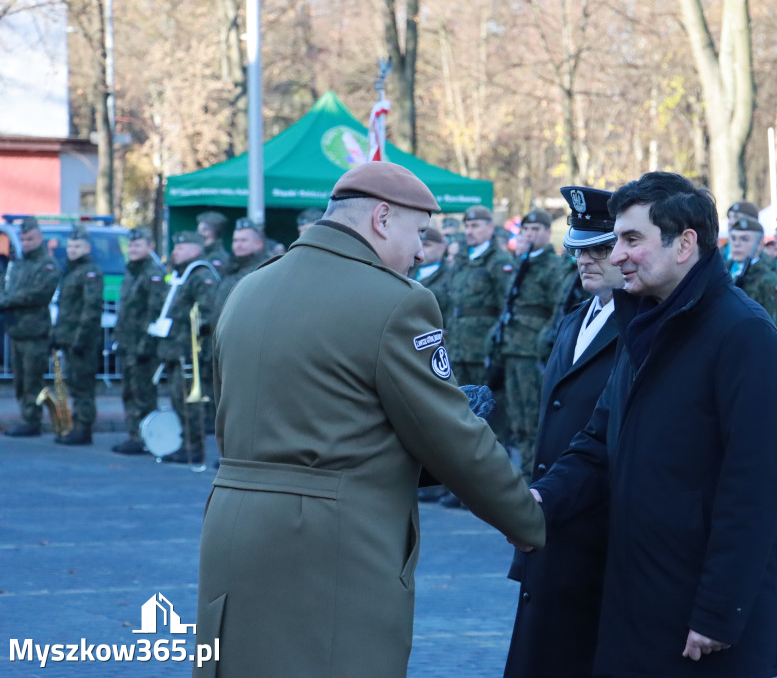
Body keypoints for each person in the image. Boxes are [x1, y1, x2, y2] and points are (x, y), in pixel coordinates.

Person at [193, 161, 545, 678]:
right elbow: (453, 437)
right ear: (382, 218)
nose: (422, 251)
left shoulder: (248, 289)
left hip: (230, 530)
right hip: (332, 544)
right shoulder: (398, 302)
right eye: (418, 232)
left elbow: (276, 416)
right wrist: (527, 520)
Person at [533, 172, 777, 677]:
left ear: (685, 245)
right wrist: (540, 500)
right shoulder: (646, 324)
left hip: (704, 628)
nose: (615, 256)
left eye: (632, 240)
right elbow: (597, 444)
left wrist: (719, 612)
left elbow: (754, 492)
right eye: (616, 241)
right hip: (639, 602)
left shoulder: (744, 337)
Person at [505, 186, 622, 678]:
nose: (585, 260)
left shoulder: (640, 327)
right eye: (579, 249)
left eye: (600, 249)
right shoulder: (579, 317)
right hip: (553, 517)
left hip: (598, 525)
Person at [499, 209, 573, 476]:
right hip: (512, 348)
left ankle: (535, 477)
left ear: (546, 232)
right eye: (525, 230)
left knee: (533, 418)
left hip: (534, 351)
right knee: (517, 418)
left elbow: (558, 309)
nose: (529, 235)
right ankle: (524, 473)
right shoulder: (521, 262)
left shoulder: (551, 267)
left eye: (534, 230)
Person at [153, 231, 219, 465]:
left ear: (194, 250)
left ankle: (195, 447)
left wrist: (196, 340)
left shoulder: (200, 275)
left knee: (189, 404)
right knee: (178, 400)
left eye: (180, 249)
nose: (174, 252)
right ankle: (187, 444)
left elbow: (207, 312)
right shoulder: (182, 275)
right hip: (175, 350)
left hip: (190, 353)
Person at [1, 217, 61, 437]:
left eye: (30, 238)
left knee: (32, 379)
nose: (26, 243)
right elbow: (7, 286)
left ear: (40, 237)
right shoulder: (19, 263)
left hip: (35, 331)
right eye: (23, 239)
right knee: (20, 380)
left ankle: (32, 420)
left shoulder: (47, 264)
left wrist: (6, 301)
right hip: (17, 329)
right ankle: (26, 416)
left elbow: (38, 294)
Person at [446, 205, 514, 386]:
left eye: (475, 226)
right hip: (457, 346)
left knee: (483, 403)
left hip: (482, 348)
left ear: (490, 228)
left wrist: (497, 347)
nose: (469, 231)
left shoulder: (499, 260)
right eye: (467, 226)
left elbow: (506, 305)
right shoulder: (461, 258)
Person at [111, 228, 165, 455]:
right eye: (131, 245)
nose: (133, 249)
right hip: (128, 344)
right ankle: (134, 434)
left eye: (138, 245)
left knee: (143, 394)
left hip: (142, 346)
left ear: (150, 247)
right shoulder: (131, 273)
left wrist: (146, 345)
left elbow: (154, 312)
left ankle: (146, 437)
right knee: (129, 392)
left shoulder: (152, 274)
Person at [50, 224, 104, 445]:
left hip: (83, 341)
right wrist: (56, 336)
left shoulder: (90, 272)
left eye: (77, 246)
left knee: (83, 386)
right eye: (70, 246)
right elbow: (65, 308)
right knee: (74, 383)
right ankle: (77, 426)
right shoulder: (70, 271)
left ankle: (84, 428)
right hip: (69, 338)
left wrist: (80, 340)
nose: (72, 250)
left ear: (87, 247)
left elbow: (90, 309)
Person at [209, 218, 268, 332]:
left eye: (243, 240)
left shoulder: (265, 269)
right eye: (235, 240)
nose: (238, 245)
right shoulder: (227, 268)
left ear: (259, 243)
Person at [728, 216, 777, 326]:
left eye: (744, 239)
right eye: (733, 238)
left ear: (759, 244)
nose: (736, 244)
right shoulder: (724, 270)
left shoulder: (770, 280)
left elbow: (774, 323)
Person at [411, 226, 451, 326]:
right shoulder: (407, 270)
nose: (420, 249)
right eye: (418, 243)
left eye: (427, 245)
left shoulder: (451, 275)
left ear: (443, 248)